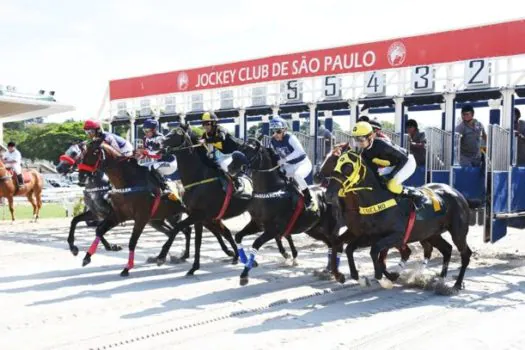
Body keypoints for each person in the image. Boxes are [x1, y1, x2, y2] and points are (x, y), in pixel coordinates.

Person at [351, 121, 425, 208]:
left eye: (361, 139)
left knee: (391, 185)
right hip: (393, 164)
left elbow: (403, 159)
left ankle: (416, 195)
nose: (358, 143)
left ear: (370, 136)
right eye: (356, 139)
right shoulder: (364, 153)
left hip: (407, 162)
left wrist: (391, 175)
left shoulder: (381, 144)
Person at [269, 116, 315, 211]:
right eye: (273, 131)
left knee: (297, 175)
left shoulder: (290, 138)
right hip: (289, 165)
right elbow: (274, 154)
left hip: (303, 163)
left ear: (284, 130)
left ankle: (308, 199)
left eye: (278, 131)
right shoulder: (272, 141)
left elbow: (300, 151)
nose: (275, 134)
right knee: (278, 174)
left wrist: (285, 159)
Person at [139, 118, 178, 191]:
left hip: (170, 163)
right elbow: (145, 154)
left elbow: (158, 155)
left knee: (151, 166)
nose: (145, 133)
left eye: (147, 130)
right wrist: (137, 155)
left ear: (154, 130)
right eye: (144, 130)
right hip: (159, 163)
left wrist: (144, 152)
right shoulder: (145, 139)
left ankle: (165, 187)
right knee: (141, 167)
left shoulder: (160, 138)